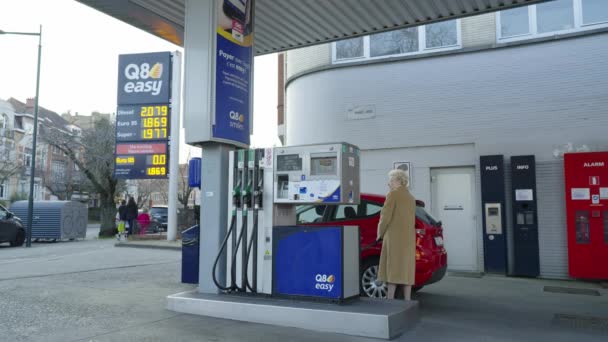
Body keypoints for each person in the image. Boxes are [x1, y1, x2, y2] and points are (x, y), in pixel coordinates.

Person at [377, 169, 416, 301]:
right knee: (406, 270)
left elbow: (385, 217)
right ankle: (407, 301)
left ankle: (390, 300)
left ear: (399, 181)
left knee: (392, 269)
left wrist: (379, 234)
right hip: (408, 239)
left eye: (391, 180)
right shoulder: (411, 198)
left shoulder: (393, 195)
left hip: (394, 238)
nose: (389, 183)